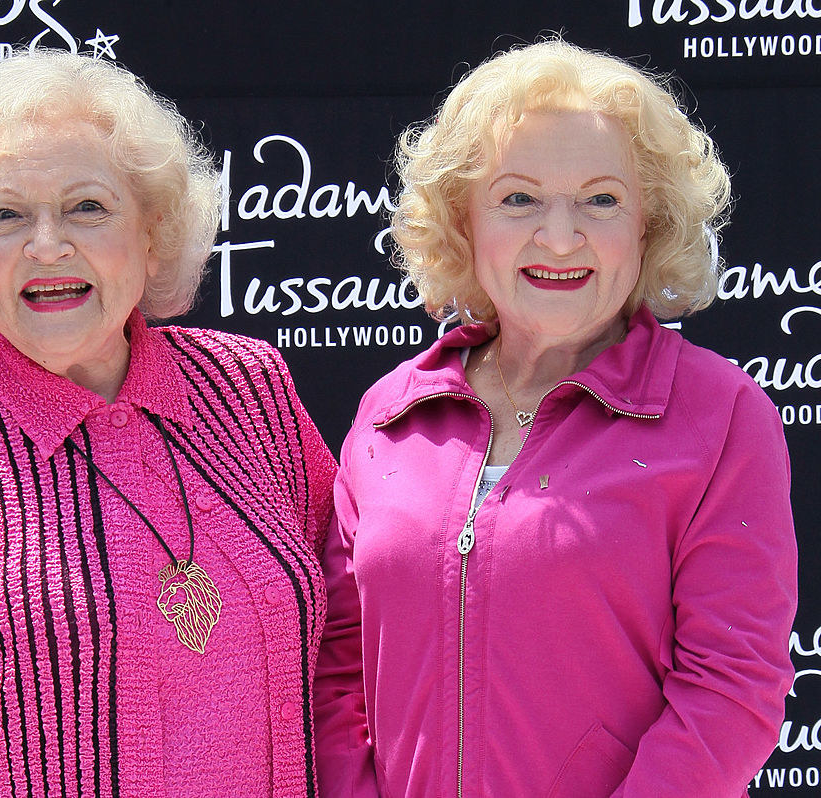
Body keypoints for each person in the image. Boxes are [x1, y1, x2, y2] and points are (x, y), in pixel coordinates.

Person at [0, 50, 335, 798]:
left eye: (88, 207)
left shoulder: (248, 386)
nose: (47, 245)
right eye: (5, 215)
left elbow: (352, 624)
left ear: (153, 231)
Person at [314, 39, 796, 798]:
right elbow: (336, 667)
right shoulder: (389, 415)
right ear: (464, 225)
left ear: (650, 225)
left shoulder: (721, 416)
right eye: (518, 199)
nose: (561, 236)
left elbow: (733, 687)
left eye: (601, 200)